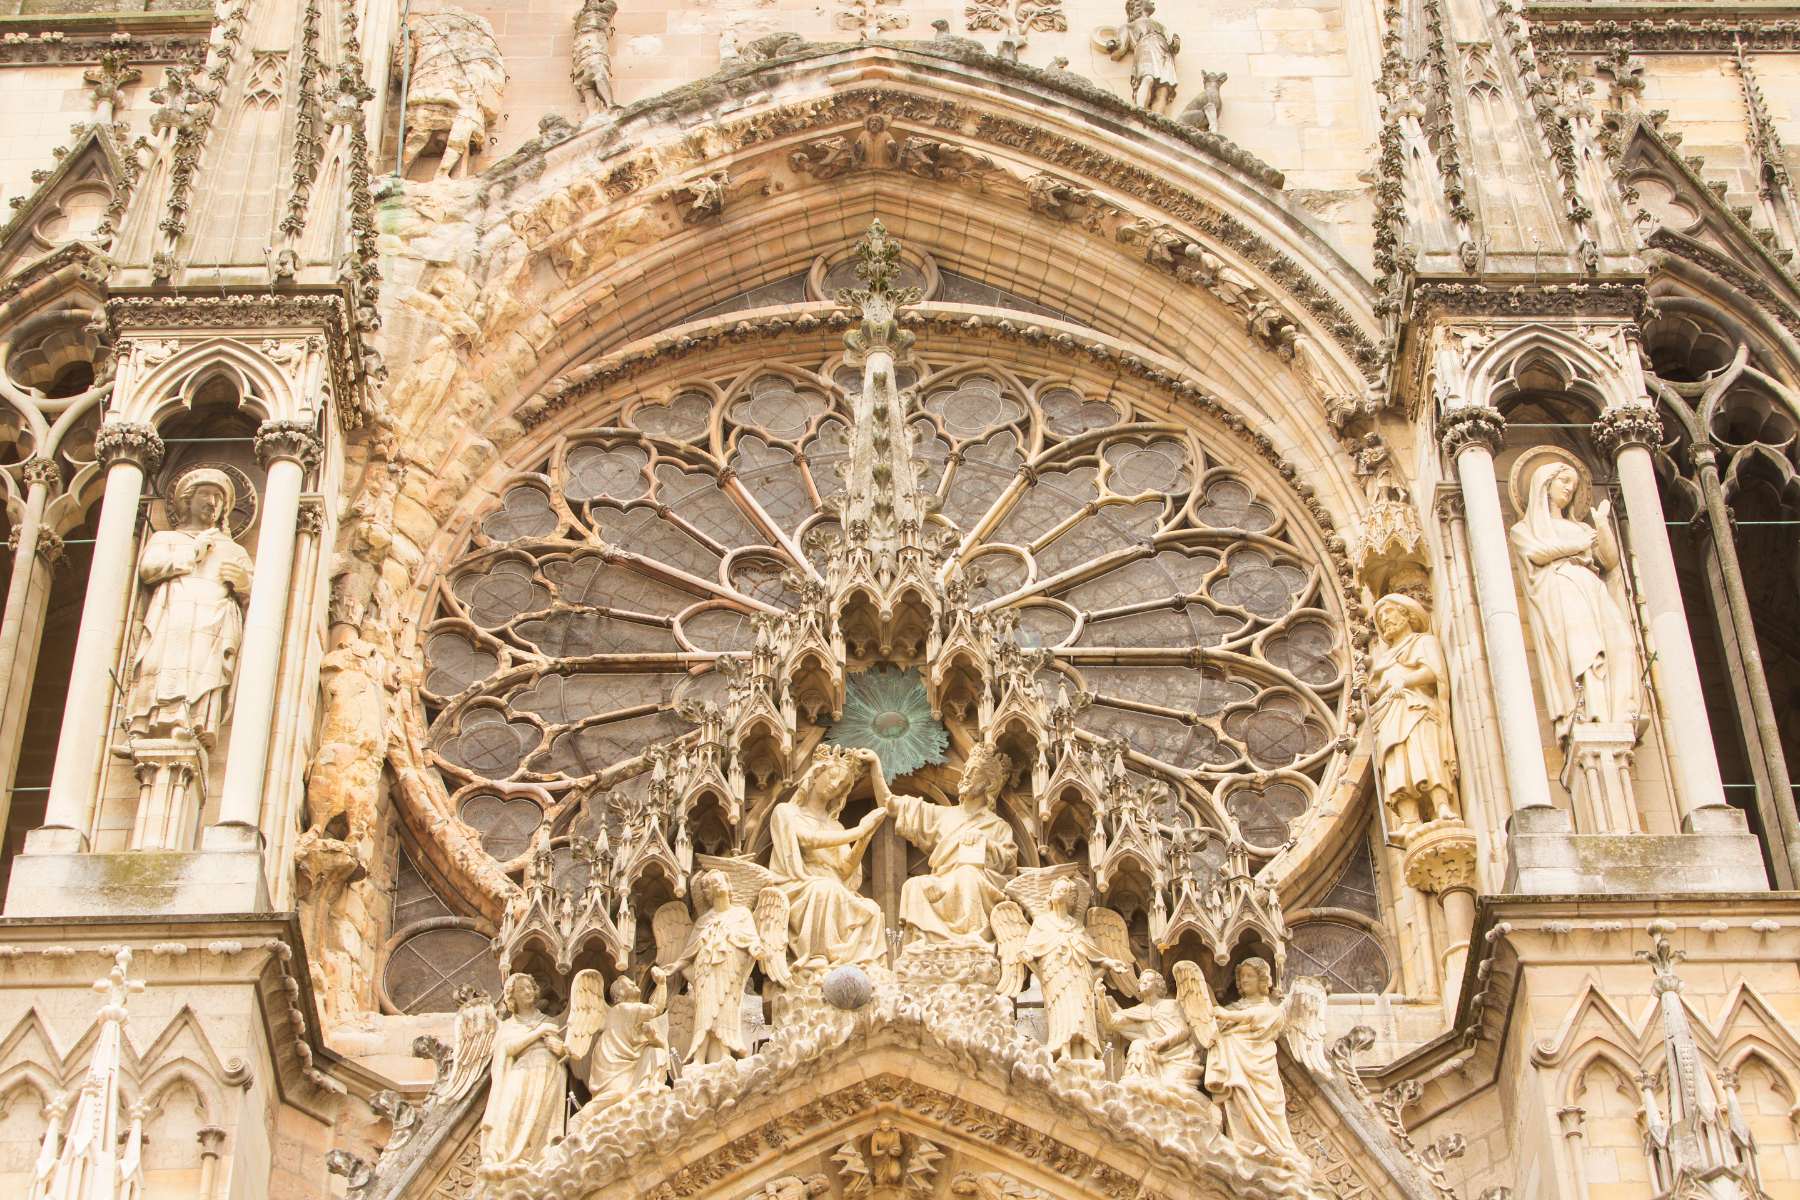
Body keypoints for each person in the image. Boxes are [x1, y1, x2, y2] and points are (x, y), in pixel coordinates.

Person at [1509, 461, 1641, 738]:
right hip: (1562, 587)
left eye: (1574, 485)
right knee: (1585, 649)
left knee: (1622, 643)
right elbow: (1536, 554)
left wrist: (1602, 525)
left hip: (1592, 586)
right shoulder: (1524, 530)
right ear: (1545, 485)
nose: (1570, 489)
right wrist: (1579, 546)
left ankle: (1618, 710)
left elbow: (1608, 560)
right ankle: (1593, 710)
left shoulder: (1580, 527)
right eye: (1564, 482)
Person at [125, 467, 253, 746]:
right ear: (187, 500)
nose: (212, 502)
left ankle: (191, 723)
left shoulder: (234, 550)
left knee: (201, 671)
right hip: (172, 612)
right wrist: (193, 552)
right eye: (206, 494)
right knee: (160, 663)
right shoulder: (166, 539)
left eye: (219, 498)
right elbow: (148, 569)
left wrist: (244, 584)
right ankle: (142, 725)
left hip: (214, 619)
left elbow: (256, 603)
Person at [867, 743, 1018, 946]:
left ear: (989, 784)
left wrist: (986, 844)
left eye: (974, 772)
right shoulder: (943, 815)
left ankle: (969, 942)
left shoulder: (998, 826)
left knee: (967, 874)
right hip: (943, 881)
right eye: (966, 770)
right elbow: (890, 805)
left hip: (974, 882)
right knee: (914, 885)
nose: (965, 775)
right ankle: (922, 945)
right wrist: (875, 766)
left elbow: (1009, 864)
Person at [765, 746, 887, 969]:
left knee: (871, 909)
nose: (835, 785)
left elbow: (845, 869)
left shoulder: (836, 826)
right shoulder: (787, 812)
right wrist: (859, 831)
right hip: (800, 885)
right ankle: (815, 955)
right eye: (832, 776)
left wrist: (865, 838)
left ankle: (863, 967)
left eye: (842, 785)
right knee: (824, 890)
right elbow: (807, 839)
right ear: (815, 774)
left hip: (834, 886)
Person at [1368, 594, 1458, 829]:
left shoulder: (1423, 642)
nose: (1384, 619)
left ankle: (1441, 806)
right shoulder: (1384, 659)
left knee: (1425, 753)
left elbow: (1434, 672)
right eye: (1380, 616)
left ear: (1406, 614)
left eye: (1388, 612)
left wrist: (1405, 681)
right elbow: (1376, 691)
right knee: (1396, 760)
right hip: (1389, 713)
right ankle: (1409, 819)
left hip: (1415, 707)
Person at [478, 974, 569, 1171]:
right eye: (521, 989)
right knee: (511, 1106)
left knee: (541, 1116)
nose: (527, 992)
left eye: (530, 987)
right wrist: (538, 1032)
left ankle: (534, 1158)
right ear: (512, 997)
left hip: (549, 1071)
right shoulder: (509, 1025)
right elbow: (508, 1048)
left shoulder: (550, 1020)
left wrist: (561, 1050)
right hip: (523, 1070)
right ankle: (502, 1155)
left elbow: (568, 1051)